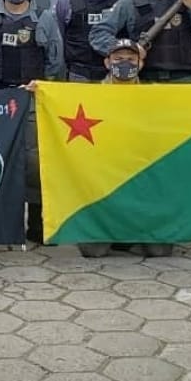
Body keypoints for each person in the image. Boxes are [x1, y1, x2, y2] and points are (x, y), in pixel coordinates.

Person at [0, 0, 64, 244]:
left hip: (31, 100)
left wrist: (39, 87)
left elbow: (55, 60)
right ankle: (1, 226)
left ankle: (37, 226)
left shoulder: (44, 18)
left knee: (34, 163)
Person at [76, 39, 172, 259]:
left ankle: (132, 236)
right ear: (107, 62)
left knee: (160, 251)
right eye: (118, 59)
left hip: (142, 181)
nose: (125, 64)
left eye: (131, 59)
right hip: (105, 184)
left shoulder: (155, 96)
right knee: (93, 252)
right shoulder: (89, 96)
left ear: (141, 64)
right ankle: (119, 236)